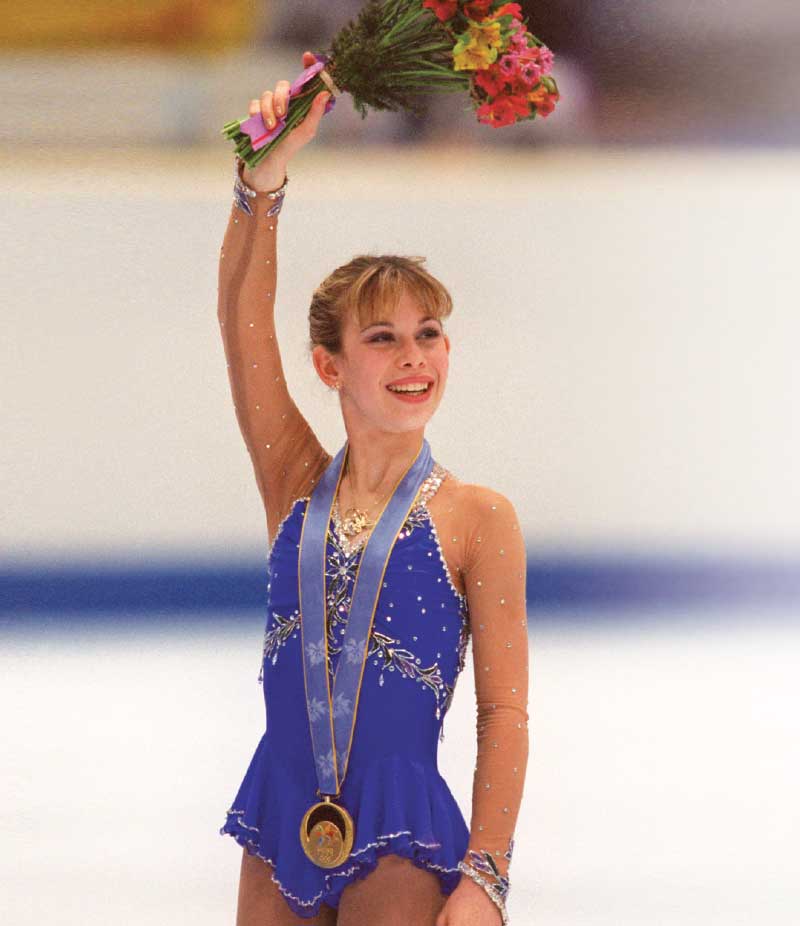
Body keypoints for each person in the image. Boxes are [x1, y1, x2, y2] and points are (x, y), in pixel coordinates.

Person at [217, 51, 529, 926]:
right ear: (330, 366)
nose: (413, 357)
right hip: (283, 813)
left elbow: (505, 713)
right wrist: (260, 186)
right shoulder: (294, 485)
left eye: (428, 334)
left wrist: (488, 874)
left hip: (401, 830)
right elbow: (239, 322)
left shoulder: (478, 518)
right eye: (384, 338)